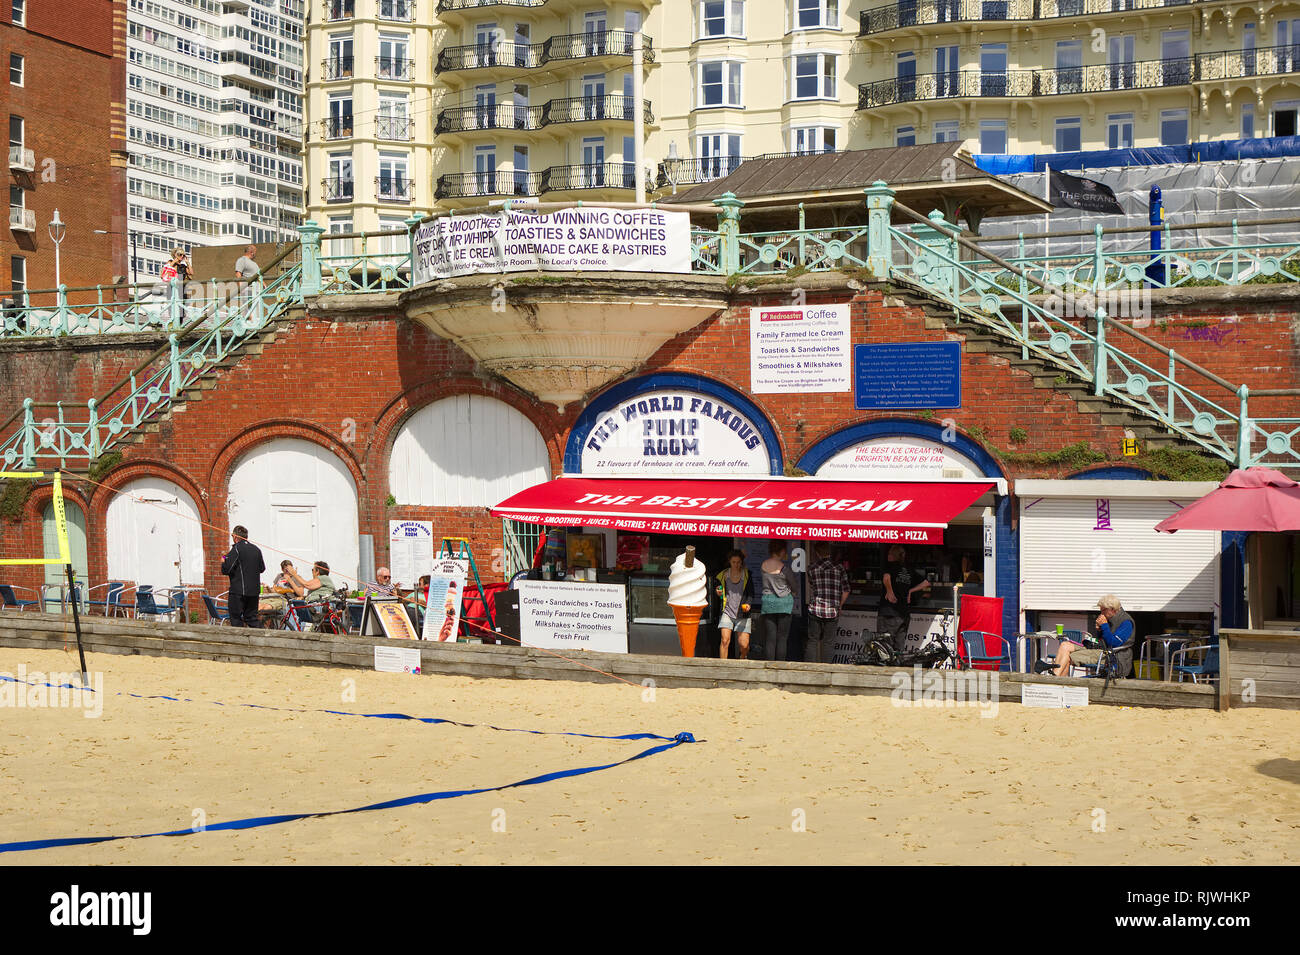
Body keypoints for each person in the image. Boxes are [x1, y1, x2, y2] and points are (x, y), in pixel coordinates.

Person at [1045, 594, 1137, 678]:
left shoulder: (1126, 622)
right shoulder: (1109, 617)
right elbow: (1101, 640)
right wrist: (1099, 630)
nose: (1101, 613)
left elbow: (1113, 643)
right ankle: (1055, 677)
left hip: (1111, 655)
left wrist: (1104, 626)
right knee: (1065, 645)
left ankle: (1055, 680)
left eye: (1103, 610)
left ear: (1112, 609)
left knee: (1069, 657)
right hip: (1098, 648)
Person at [880, 544, 930, 654]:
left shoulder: (889, 566)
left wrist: (889, 591)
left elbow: (886, 577)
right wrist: (910, 591)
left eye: (889, 553)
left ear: (894, 555)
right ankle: (897, 669)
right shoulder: (909, 569)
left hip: (890, 611)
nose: (888, 555)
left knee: (885, 646)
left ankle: (886, 670)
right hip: (904, 613)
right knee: (899, 647)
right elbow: (926, 582)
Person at [805, 542, 850, 663]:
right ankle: (827, 668)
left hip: (815, 609)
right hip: (832, 610)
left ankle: (810, 668)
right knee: (828, 642)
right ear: (829, 552)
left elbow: (812, 585)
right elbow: (846, 590)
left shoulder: (811, 568)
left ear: (817, 553)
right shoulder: (839, 568)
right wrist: (840, 605)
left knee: (813, 640)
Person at [758, 541, 799, 662]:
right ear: (781, 551)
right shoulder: (784, 568)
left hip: (768, 603)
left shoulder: (763, 565)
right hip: (784, 603)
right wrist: (793, 592)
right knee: (782, 638)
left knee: (770, 637)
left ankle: (769, 664)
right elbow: (794, 586)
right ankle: (780, 665)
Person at [220, 525, 265, 628]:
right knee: (251, 618)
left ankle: (239, 642)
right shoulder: (256, 550)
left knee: (236, 618)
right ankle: (261, 638)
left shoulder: (237, 549)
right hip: (254, 592)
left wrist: (223, 559)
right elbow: (262, 568)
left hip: (239, 592)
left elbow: (227, 569)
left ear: (235, 537)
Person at [714, 549, 755, 660]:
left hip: (743, 613)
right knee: (725, 640)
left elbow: (751, 593)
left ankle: (743, 657)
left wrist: (748, 604)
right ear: (729, 562)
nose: (736, 565)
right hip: (727, 611)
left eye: (738, 562)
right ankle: (723, 667)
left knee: (744, 645)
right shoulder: (724, 575)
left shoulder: (746, 574)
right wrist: (719, 593)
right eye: (734, 562)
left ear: (741, 562)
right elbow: (719, 589)